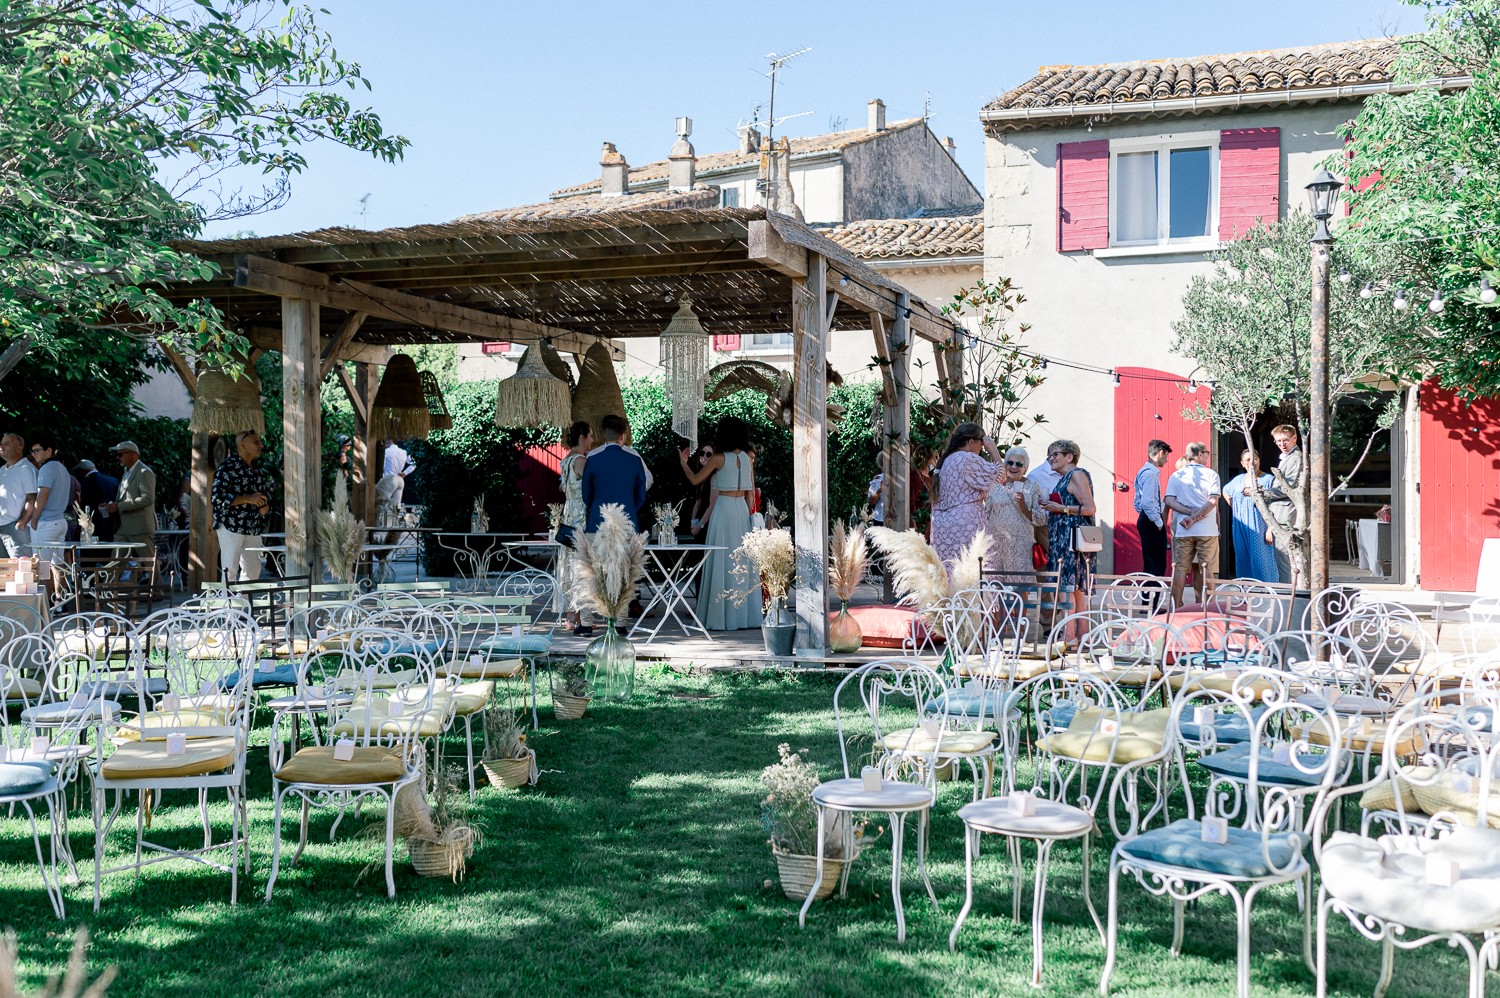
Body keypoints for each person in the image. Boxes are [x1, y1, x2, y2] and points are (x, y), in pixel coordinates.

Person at [679, 416, 761, 631]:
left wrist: (683, 464)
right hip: (741, 509)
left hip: (723, 508)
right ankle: (744, 616)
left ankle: (721, 616)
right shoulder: (746, 458)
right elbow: (751, 493)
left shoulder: (718, 458)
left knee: (721, 561)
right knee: (742, 562)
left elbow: (696, 480)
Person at [1040, 439, 1098, 635]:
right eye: (1049, 455)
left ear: (1069, 456)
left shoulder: (1077, 475)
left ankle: (1069, 637)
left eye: (1055, 454)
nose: (1050, 458)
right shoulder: (1065, 478)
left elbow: (1090, 508)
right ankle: (1081, 636)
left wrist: (1060, 508)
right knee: (1075, 590)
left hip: (1071, 541)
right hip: (1065, 539)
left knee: (1068, 587)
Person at [929, 422, 1004, 568]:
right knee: (973, 569)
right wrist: (993, 450)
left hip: (942, 524)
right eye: (981, 444)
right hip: (965, 522)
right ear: (971, 442)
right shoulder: (967, 458)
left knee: (950, 570)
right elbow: (1001, 476)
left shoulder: (946, 461)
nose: (981, 449)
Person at [211, 430, 274, 583]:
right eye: (256, 442)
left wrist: (264, 507)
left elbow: (263, 496)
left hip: (253, 526)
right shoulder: (227, 468)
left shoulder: (258, 469)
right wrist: (247, 499)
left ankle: (244, 604)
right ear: (243, 444)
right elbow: (217, 498)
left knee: (253, 569)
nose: (261, 445)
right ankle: (228, 605)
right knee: (229, 569)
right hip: (231, 525)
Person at [1165, 441, 1222, 607]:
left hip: (1184, 531)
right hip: (1207, 531)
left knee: (1180, 568)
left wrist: (1189, 514)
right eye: (1206, 453)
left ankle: (1177, 605)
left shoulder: (1176, 475)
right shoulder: (1211, 474)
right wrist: (1195, 516)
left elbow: (1169, 500)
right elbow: (1212, 501)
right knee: (1208, 569)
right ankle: (1208, 606)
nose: (1207, 456)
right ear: (1199, 454)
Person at [557, 420, 594, 636]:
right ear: (582, 437)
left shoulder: (566, 460)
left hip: (568, 511)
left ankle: (571, 614)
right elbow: (589, 487)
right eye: (589, 436)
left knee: (569, 564)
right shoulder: (580, 460)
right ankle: (578, 615)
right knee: (580, 564)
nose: (592, 440)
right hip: (580, 514)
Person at [986, 446, 1046, 574]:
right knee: (998, 586)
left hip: (1021, 545)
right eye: (1010, 463)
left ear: (1025, 469)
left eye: (1019, 464)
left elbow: (1041, 519)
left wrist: (1024, 507)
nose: (1014, 467)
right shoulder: (994, 485)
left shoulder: (1032, 486)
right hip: (997, 543)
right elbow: (985, 514)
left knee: (1020, 586)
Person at [582, 414, 647, 532]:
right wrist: (629, 508)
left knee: (595, 551)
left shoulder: (592, 460)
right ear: (622, 436)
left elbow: (586, 495)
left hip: (598, 521)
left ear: (604, 436)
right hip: (627, 520)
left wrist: (598, 508)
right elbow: (641, 495)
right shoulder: (635, 460)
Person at [1224, 449, 1277, 582]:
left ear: (1259, 461)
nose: (1251, 462)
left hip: (1260, 525)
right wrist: (1234, 506)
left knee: (1261, 560)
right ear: (1242, 463)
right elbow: (1225, 490)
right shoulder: (1238, 480)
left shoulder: (1268, 480)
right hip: (1240, 525)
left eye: (1255, 459)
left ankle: (1266, 594)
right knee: (1242, 558)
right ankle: (1246, 594)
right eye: (1248, 460)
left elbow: (1275, 505)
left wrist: (1270, 529)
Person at [1262, 424, 1304, 585]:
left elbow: (1288, 488)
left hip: (1288, 515)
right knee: (1285, 560)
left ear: (1295, 438)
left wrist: (1262, 494)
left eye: (1285, 440)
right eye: (1278, 441)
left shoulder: (1295, 458)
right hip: (1282, 514)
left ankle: (1288, 597)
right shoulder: (1289, 458)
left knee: (1285, 561)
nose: (1282, 444)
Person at [103, 440, 156, 552]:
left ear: (133, 454)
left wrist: (119, 506)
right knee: (117, 561)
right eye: (117, 454)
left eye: (120, 454)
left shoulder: (144, 472)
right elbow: (125, 496)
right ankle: (110, 571)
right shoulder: (127, 471)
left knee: (149, 560)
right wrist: (113, 506)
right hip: (123, 526)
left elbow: (148, 498)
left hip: (139, 527)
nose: (117, 458)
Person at [27, 437, 71, 569]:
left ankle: (47, 591)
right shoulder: (63, 468)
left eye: (37, 450)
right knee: (58, 565)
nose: (34, 454)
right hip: (60, 521)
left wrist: (34, 519)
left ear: (49, 450)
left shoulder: (46, 469)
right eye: (32, 451)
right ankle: (61, 591)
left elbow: (42, 495)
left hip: (46, 523)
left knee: (41, 567)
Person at [1133, 439, 1173, 577]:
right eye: (1166, 456)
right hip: (1151, 521)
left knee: (1151, 563)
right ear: (1161, 453)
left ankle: (1149, 597)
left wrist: (1145, 515)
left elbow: (1138, 502)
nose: (1166, 460)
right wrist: (1158, 521)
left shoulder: (1143, 471)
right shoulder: (1150, 474)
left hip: (1146, 518)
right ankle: (1151, 598)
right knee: (1156, 565)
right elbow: (1147, 502)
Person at [0, 433, 37, 557]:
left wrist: (21, 523)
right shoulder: (2, 470)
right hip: (2, 527)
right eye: (1, 443)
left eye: (7, 443)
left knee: (22, 570)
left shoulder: (26, 469)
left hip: (16, 528)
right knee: (4, 572)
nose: (1, 446)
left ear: (19, 447)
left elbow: (32, 498)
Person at [74, 459, 119, 541]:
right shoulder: (113, 481)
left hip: (89, 524)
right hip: (110, 524)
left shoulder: (81, 483)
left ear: (82, 471)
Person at [687, 442, 717, 539]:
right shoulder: (701, 476)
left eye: (708, 454)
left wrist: (700, 525)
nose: (704, 456)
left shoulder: (714, 476)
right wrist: (693, 522)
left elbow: (712, 505)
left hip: (708, 521)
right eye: (702, 453)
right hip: (700, 519)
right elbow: (698, 502)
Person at [382, 438, 414, 505]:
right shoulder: (404, 452)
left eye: (384, 442)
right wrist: (405, 472)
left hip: (388, 479)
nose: (384, 444)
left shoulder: (386, 452)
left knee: (386, 505)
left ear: (388, 440)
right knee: (397, 506)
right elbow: (414, 463)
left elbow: (382, 466)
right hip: (400, 480)